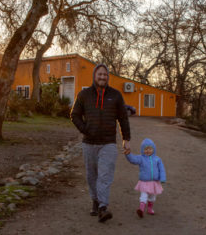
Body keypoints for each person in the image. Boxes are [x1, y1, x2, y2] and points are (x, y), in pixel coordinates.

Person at [70, 64, 131, 223]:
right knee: (92, 175)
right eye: (100, 74)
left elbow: (123, 118)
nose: (103, 77)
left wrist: (126, 139)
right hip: (89, 143)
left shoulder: (116, 95)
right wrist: (85, 129)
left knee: (105, 175)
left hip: (108, 143)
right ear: (94, 76)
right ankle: (95, 201)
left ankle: (103, 207)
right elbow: (74, 115)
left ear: (108, 77)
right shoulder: (84, 95)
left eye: (105, 75)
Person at [125, 138, 166, 218]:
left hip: (154, 182)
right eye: (146, 149)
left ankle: (150, 208)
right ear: (142, 150)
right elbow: (133, 160)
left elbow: (162, 169)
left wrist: (162, 178)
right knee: (143, 195)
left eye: (150, 149)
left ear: (153, 149)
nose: (148, 151)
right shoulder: (141, 158)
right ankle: (141, 209)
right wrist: (128, 154)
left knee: (152, 196)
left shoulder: (157, 159)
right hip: (144, 181)